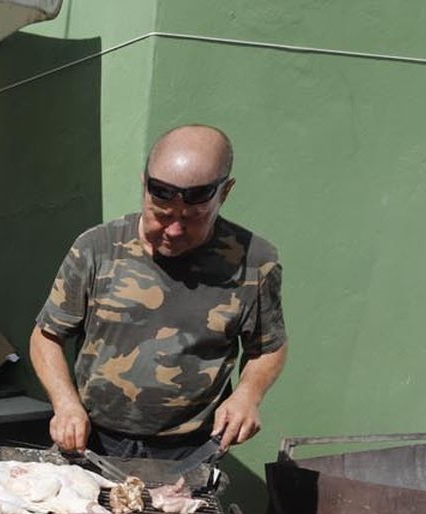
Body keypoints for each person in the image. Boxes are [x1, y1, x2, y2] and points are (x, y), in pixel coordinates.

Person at [30, 124, 287, 460]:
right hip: (94, 441)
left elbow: (268, 347)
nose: (174, 230)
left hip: (189, 450)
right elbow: (46, 335)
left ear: (225, 193)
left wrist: (248, 394)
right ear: (145, 188)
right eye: (161, 215)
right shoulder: (97, 248)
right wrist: (65, 404)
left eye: (194, 217)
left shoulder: (254, 262)